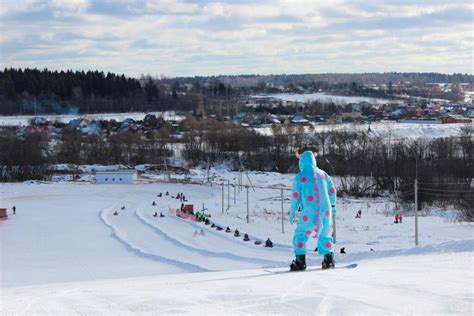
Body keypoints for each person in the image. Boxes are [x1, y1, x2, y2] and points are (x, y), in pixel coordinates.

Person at [289, 149, 337, 271]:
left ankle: (300, 262)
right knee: (324, 234)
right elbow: (332, 191)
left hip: (309, 210)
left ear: (302, 162)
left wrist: (293, 211)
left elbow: (296, 196)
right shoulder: (324, 174)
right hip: (325, 210)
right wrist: (333, 207)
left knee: (301, 234)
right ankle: (328, 260)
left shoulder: (300, 177)